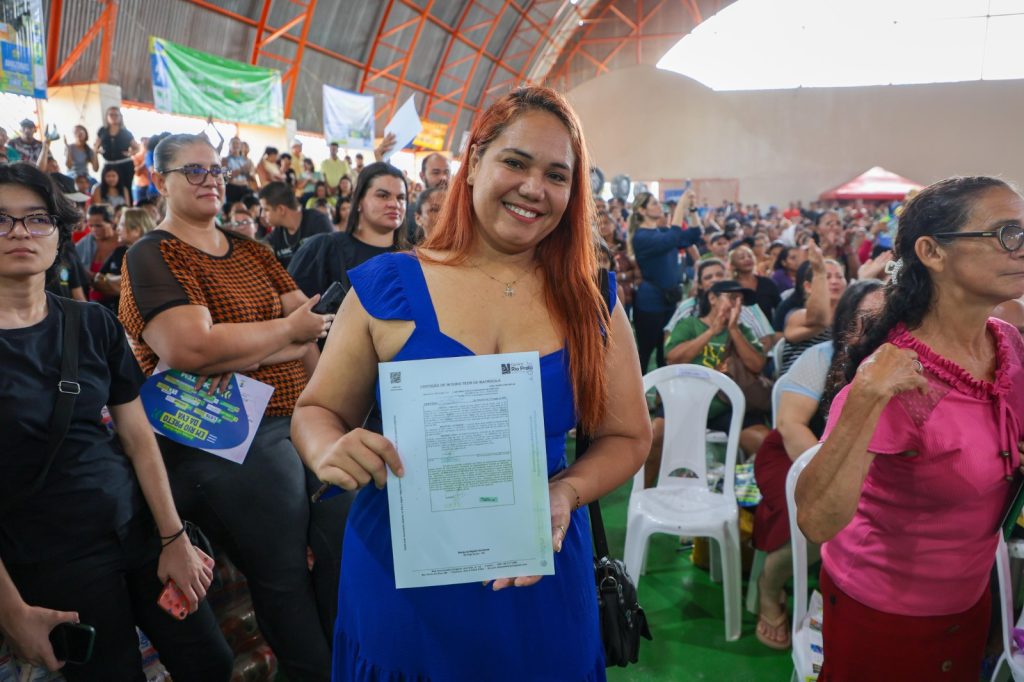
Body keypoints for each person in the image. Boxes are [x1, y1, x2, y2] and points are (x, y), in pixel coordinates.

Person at [290, 86, 650, 680]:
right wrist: (328, 447)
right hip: (402, 570)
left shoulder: (593, 303)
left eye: (557, 175)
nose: (534, 188)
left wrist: (566, 492)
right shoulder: (387, 286)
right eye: (516, 162)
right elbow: (318, 410)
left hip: (539, 562)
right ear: (475, 160)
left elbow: (628, 436)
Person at [0, 162, 232, 680]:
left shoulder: (91, 322)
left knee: (209, 662)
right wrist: (11, 611)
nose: (19, 232)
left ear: (59, 234)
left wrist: (173, 536)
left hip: (139, 529)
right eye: (1, 220)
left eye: (37, 218)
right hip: (52, 557)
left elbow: (137, 436)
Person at [117, 134, 336, 681]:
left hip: (298, 416)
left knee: (350, 521)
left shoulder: (252, 250)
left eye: (216, 169)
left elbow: (310, 332)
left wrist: (247, 350)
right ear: (159, 180)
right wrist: (281, 334)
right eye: (193, 170)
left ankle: (348, 657)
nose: (210, 179)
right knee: (283, 567)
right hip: (224, 435)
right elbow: (190, 348)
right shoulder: (154, 253)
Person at [796, 176, 1024, 679]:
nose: (1021, 247)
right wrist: (863, 400)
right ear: (932, 252)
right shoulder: (897, 377)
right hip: (885, 614)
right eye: (1006, 233)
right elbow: (815, 519)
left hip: (969, 598)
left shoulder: (1008, 344)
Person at [752, 279, 883, 650]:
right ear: (845, 321)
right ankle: (769, 587)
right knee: (815, 517)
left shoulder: (896, 363)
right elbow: (790, 425)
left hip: (862, 461)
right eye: (863, 319)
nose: (873, 328)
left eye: (884, 319)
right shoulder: (823, 357)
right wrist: (831, 478)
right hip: (796, 455)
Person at [664, 279, 769, 455]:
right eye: (733, 298)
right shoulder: (690, 324)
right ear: (713, 298)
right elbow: (673, 358)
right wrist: (712, 331)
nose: (737, 306)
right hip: (686, 404)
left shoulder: (743, 330)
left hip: (729, 407)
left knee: (762, 440)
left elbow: (757, 365)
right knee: (657, 433)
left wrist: (733, 330)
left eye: (741, 301)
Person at [287, 161, 406, 301]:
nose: (395, 204)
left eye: (401, 198)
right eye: (383, 195)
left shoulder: (413, 260)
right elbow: (292, 308)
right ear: (359, 200)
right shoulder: (323, 249)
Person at [631, 194, 703, 371]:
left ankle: (663, 389)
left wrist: (692, 209)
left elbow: (695, 235)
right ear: (642, 210)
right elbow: (673, 237)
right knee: (645, 353)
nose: (660, 206)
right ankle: (639, 386)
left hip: (669, 301)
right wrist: (680, 206)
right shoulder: (641, 237)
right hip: (650, 303)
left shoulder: (662, 232)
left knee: (666, 351)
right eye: (654, 203)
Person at [776, 247, 848, 374]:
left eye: (840, 276)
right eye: (827, 277)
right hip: (799, 380)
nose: (834, 281)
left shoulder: (850, 319)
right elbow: (820, 320)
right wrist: (819, 273)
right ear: (808, 287)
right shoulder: (798, 316)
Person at [91, 208, 156, 311]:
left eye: (122, 225)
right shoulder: (119, 251)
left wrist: (109, 279)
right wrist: (118, 281)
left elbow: (137, 287)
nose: (117, 229)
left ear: (136, 231)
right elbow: (98, 279)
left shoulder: (151, 255)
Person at [259, 180, 332, 268]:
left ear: (281, 209)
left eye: (266, 210)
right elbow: (261, 247)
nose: (262, 215)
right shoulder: (277, 234)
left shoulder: (318, 222)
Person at [94, 107, 140, 193]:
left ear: (120, 117)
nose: (114, 117)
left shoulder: (126, 132)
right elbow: (96, 146)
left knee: (126, 189)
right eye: (111, 115)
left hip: (125, 165)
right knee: (107, 191)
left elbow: (137, 148)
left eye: (116, 115)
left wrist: (130, 153)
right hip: (108, 165)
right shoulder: (102, 131)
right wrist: (98, 151)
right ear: (107, 117)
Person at [729, 244, 781, 320]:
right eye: (742, 258)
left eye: (750, 256)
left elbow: (779, 308)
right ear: (733, 265)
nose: (747, 259)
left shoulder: (768, 283)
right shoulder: (730, 287)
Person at [222, 136, 256, 206]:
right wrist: (241, 170)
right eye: (233, 143)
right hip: (232, 189)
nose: (235, 145)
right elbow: (225, 178)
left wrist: (249, 173)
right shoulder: (224, 160)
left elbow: (251, 178)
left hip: (245, 189)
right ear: (229, 146)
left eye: (237, 143)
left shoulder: (246, 160)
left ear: (240, 146)